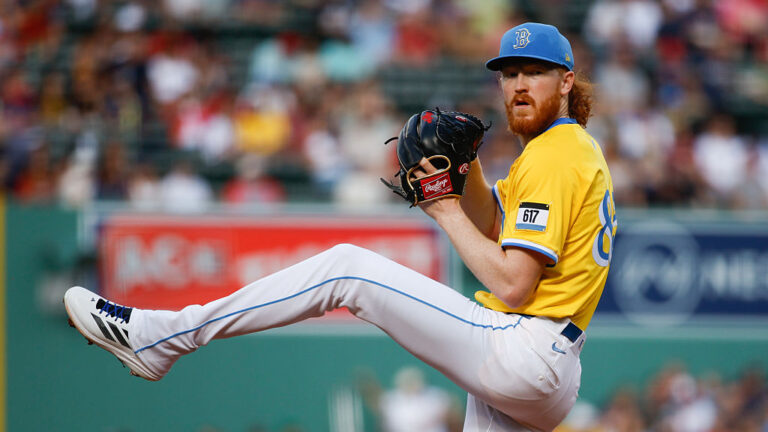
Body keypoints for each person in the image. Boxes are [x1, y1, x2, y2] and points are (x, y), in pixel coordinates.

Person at [64, 23, 616, 432]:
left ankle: (165, 336)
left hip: (526, 349)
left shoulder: (554, 154)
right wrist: (463, 174)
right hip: (549, 372)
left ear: (566, 81)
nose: (518, 84)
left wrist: (441, 208)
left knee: (349, 268)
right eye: (509, 73)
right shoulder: (561, 153)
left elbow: (514, 283)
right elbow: (496, 228)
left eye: (534, 72)